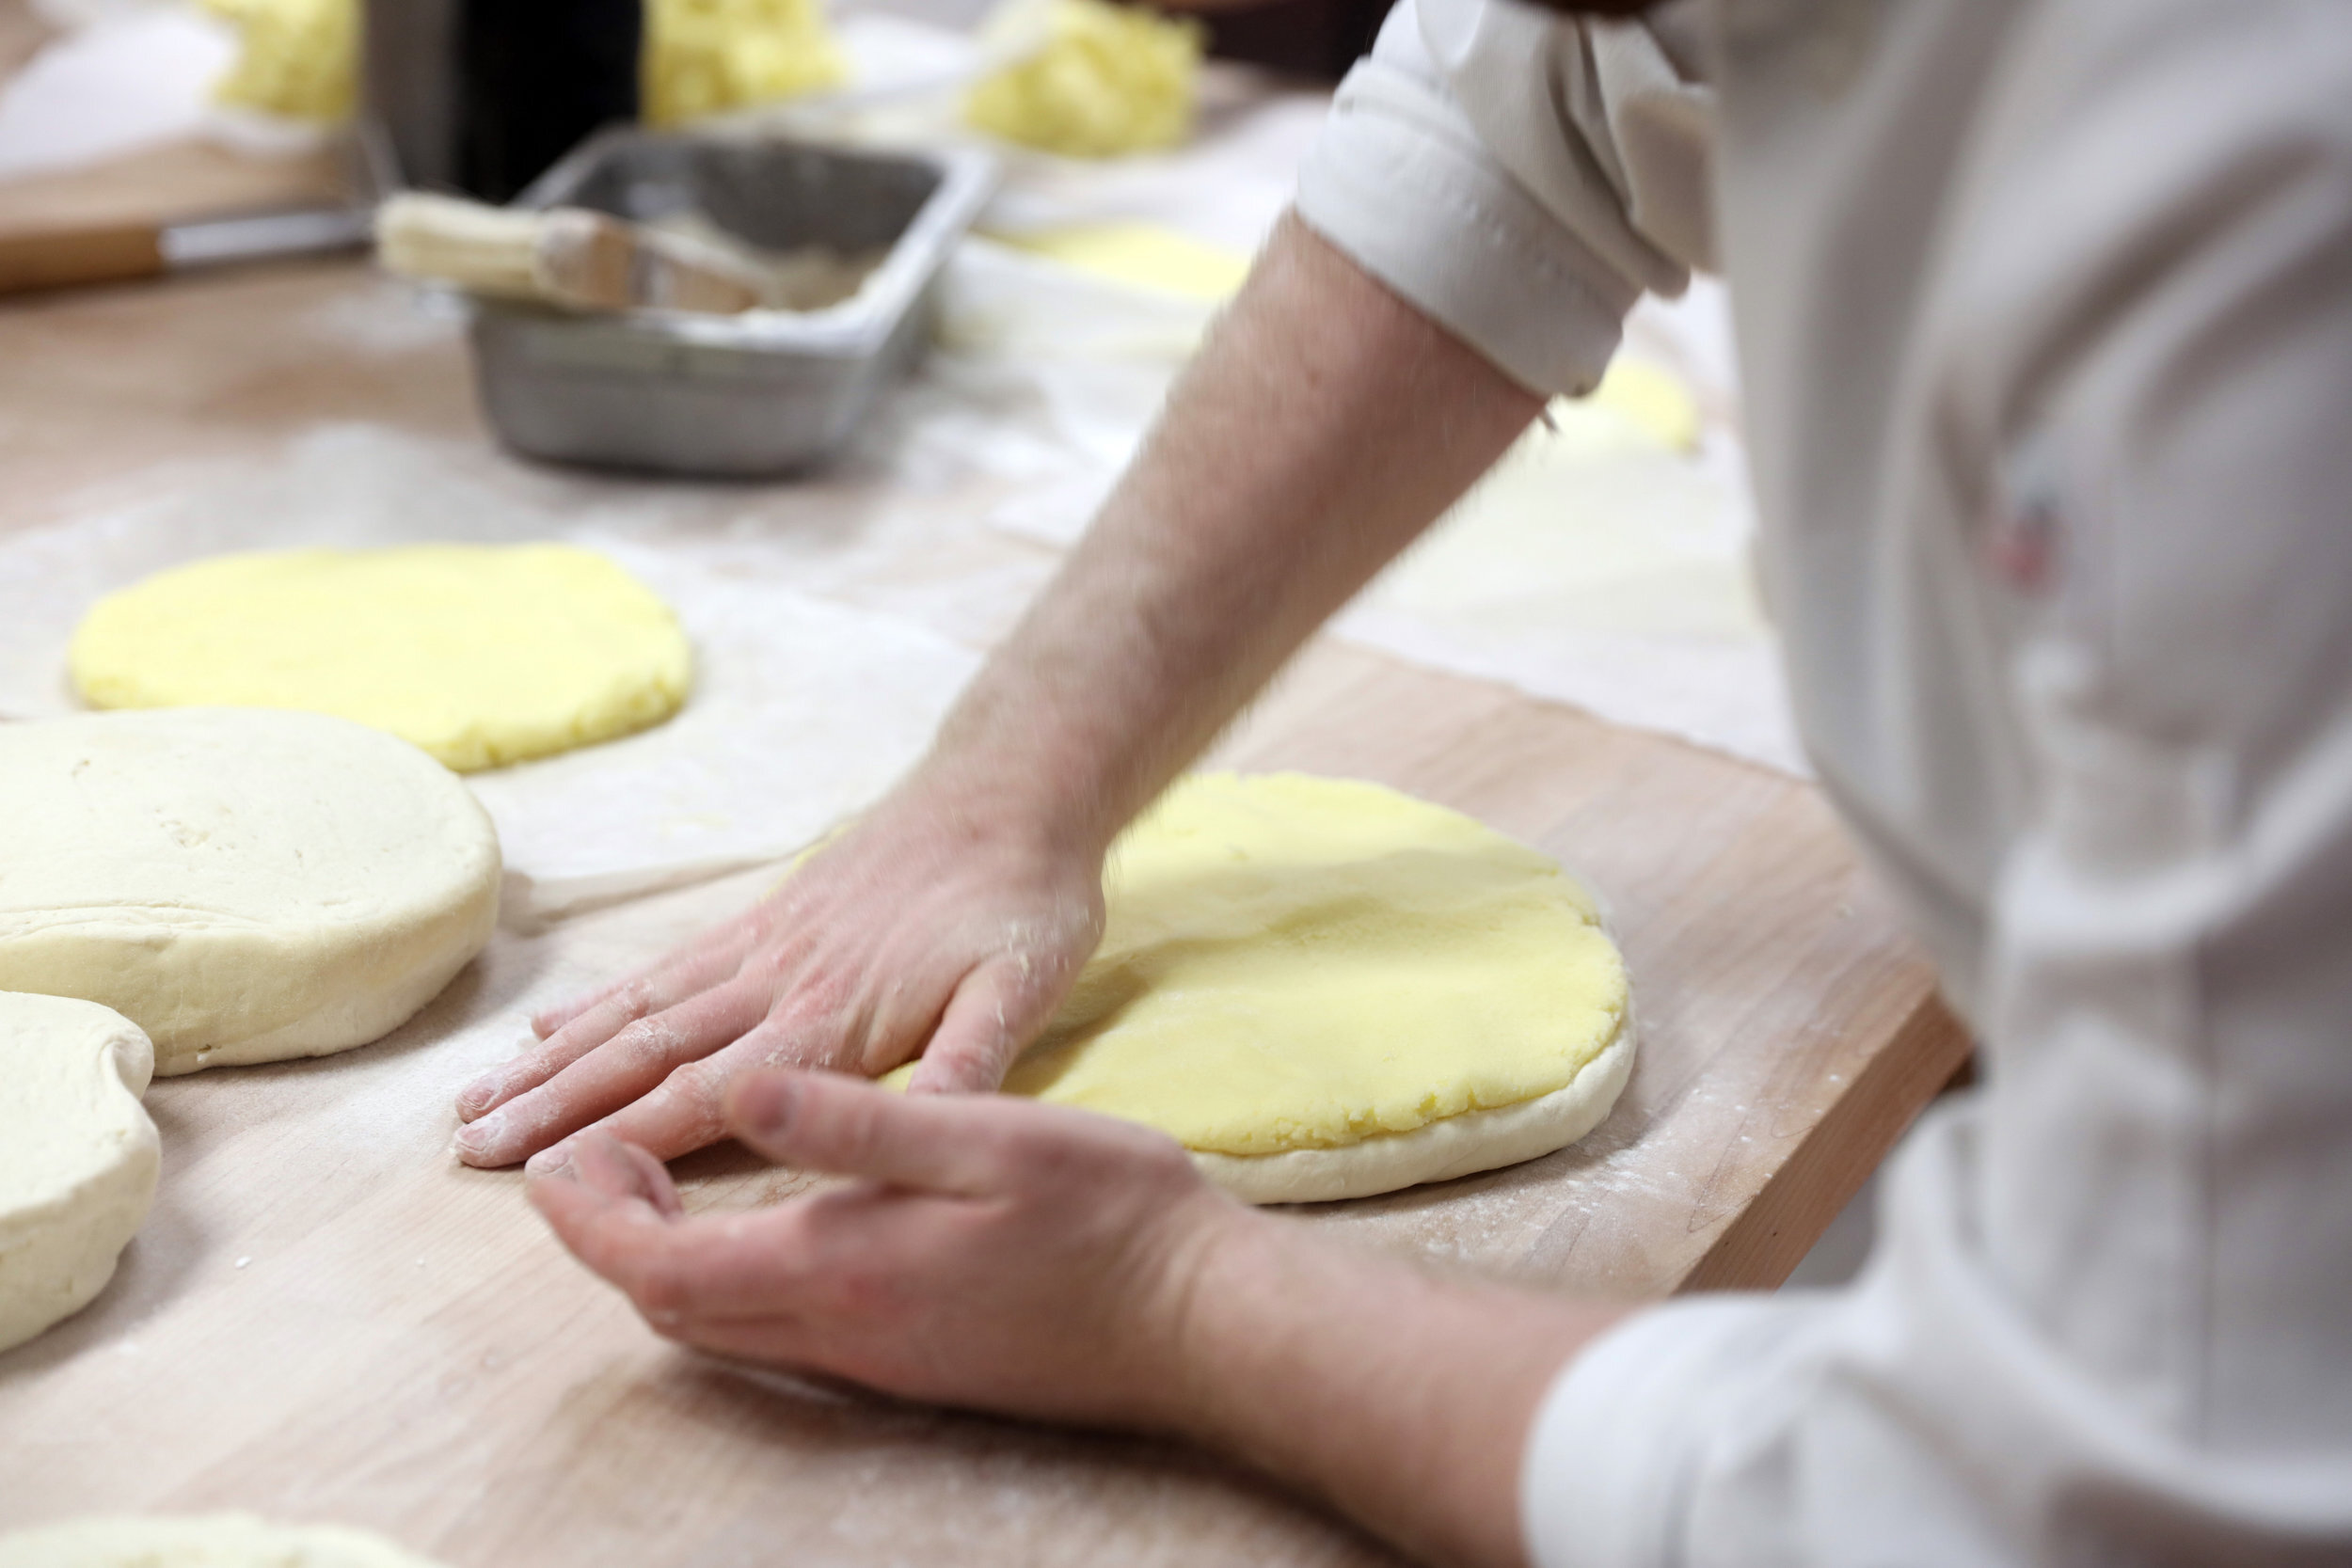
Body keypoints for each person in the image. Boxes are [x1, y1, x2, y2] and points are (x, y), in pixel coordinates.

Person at [457, 0, 2352, 1561]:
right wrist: (1002, 795)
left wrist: (1179, 1312)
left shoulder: (2256, 198)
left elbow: (2064, 1506)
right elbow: (1535, 104)